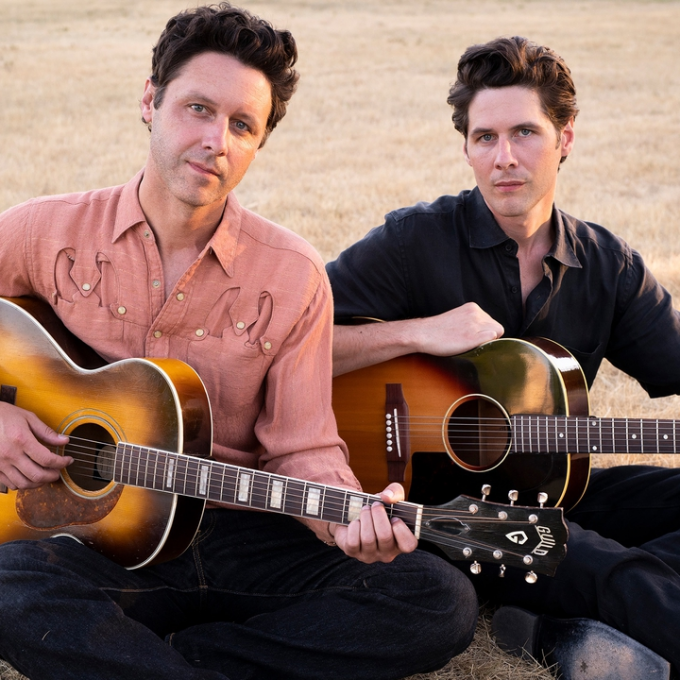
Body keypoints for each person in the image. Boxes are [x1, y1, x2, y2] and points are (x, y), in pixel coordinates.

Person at [0, 5, 478, 679]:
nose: (216, 140)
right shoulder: (39, 232)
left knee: (437, 600)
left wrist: (350, 519)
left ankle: (166, 661)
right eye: (198, 108)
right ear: (150, 100)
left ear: (259, 143)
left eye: (241, 125)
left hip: (239, 533)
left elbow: (303, 446)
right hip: (83, 537)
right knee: (7, 581)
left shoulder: (294, 275)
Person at [326, 36, 680, 680]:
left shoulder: (608, 265)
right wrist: (417, 333)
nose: (504, 158)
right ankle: (592, 593)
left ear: (565, 137)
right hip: (433, 512)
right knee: (614, 569)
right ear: (465, 146)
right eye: (484, 137)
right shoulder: (414, 242)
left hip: (552, 496)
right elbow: (290, 346)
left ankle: (545, 619)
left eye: (525, 132)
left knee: (606, 544)